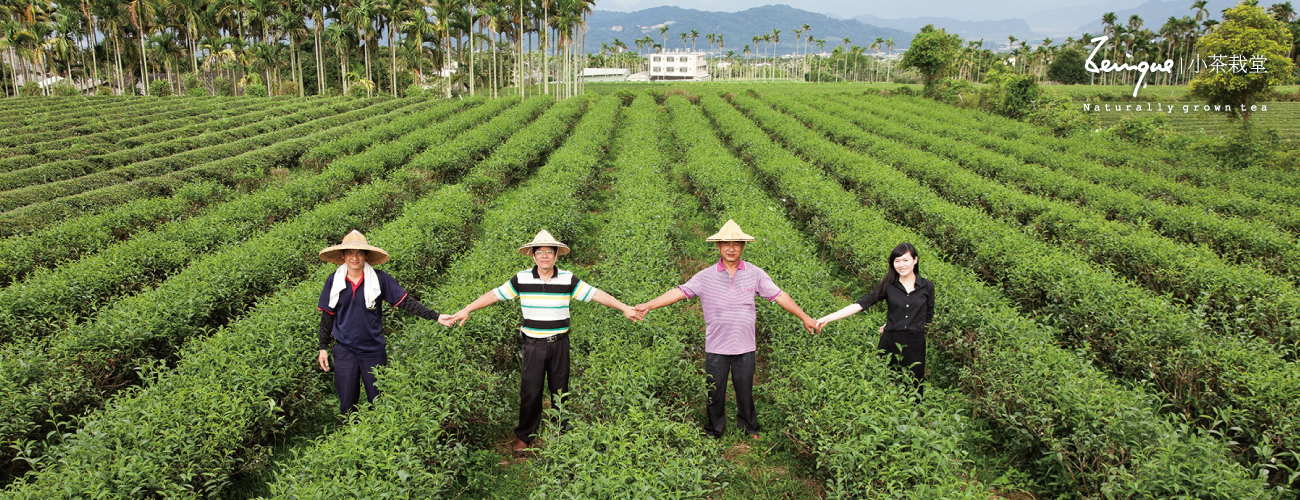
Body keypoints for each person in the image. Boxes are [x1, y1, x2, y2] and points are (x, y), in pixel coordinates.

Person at [441, 230, 643, 456]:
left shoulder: (568, 279)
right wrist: (468, 309)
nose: (544, 256)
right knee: (530, 390)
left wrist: (624, 307)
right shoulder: (522, 278)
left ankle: (560, 433)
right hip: (533, 345)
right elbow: (495, 294)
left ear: (556, 256)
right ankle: (525, 436)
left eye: (549, 251)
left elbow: (595, 294)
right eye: (539, 252)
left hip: (559, 344)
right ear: (533, 256)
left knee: (560, 390)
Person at [635, 220, 818, 440]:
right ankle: (714, 430)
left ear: (742, 246)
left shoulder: (755, 274)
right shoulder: (705, 276)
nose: (731, 248)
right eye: (726, 244)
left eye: (736, 244)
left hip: (744, 344)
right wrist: (648, 305)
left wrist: (805, 317)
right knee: (715, 391)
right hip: (717, 345)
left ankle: (750, 427)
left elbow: (779, 296)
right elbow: (678, 292)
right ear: (718, 247)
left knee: (744, 389)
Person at [317, 230, 449, 415]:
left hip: (373, 351)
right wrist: (323, 347)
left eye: (359, 253)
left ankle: (378, 440)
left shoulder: (379, 279)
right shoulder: (334, 281)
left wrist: (436, 316)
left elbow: (406, 302)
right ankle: (351, 439)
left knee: (379, 403)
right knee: (347, 406)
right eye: (350, 253)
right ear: (343, 256)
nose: (354, 257)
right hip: (345, 350)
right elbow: (327, 316)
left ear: (366, 256)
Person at [816, 242, 934, 397]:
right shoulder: (888, 286)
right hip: (891, 341)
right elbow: (861, 304)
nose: (901, 265)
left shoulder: (927, 286)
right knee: (884, 385)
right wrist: (828, 318)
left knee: (914, 388)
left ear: (915, 260)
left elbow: (927, 316)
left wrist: (901, 321)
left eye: (905, 260)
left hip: (915, 344)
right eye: (897, 261)